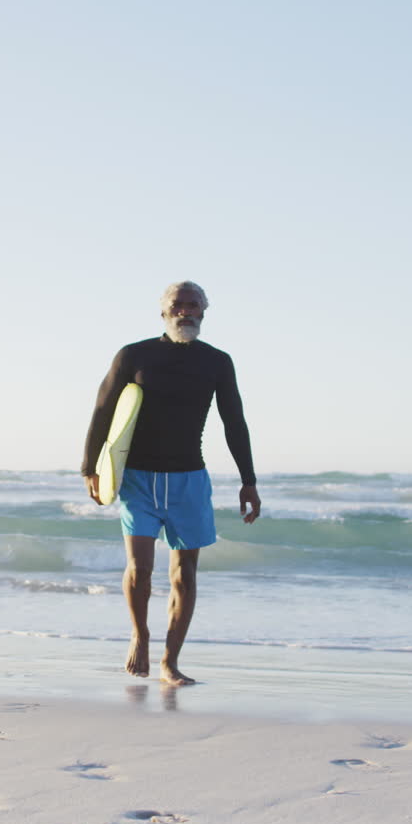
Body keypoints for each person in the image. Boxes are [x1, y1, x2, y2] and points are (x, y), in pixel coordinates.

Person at [82, 281, 260, 687]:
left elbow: (234, 422)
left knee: (184, 575)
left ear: (203, 312)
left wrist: (248, 481)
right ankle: (140, 635)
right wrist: (90, 468)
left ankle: (170, 662)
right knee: (140, 569)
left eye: (193, 305)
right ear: (164, 312)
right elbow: (104, 411)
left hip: (189, 479)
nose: (185, 311)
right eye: (177, 305)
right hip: (138, 477)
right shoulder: (134, 355)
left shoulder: (217, 362)